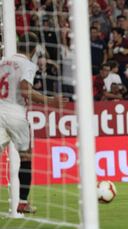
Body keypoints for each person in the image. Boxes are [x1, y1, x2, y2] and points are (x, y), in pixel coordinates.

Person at [0, 33, 67, 213]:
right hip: (16, 113)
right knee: (26, 156)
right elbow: (25, 90)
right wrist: (50, 100)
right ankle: (22, 202)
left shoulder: (3, 61)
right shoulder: (28, 65)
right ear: (33, 49)